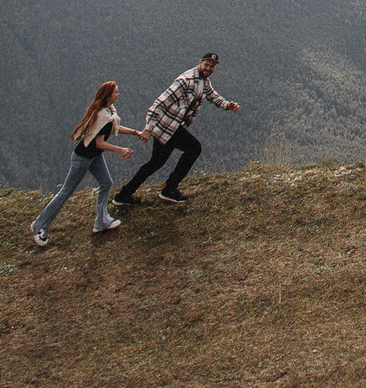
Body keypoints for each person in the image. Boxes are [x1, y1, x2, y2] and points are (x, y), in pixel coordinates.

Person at [31, 80, 148, 248]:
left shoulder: (107, 112)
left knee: (106, 182)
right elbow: (99, 142)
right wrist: (120, 150)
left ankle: (101, 222)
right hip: (83, 159)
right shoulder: (104, 116)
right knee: (65, 192)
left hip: (93, 156)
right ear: (108, 96)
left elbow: (114, 127)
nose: (118, 94)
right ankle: (39, 225)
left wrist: (134, 132)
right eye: (116, 92)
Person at [114, 51, 240, 206]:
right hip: (165, 128)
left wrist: (228, 105)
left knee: (156, 163)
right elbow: (159, 104)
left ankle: (124, 195)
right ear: (200, 62)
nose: (209, 68)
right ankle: (168, 190)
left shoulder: (203, 81)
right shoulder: (185, 81)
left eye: (212, 66)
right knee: (194, 149)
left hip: (173, 128)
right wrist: (148, 128)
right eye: (206, 65)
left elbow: (212, 96)